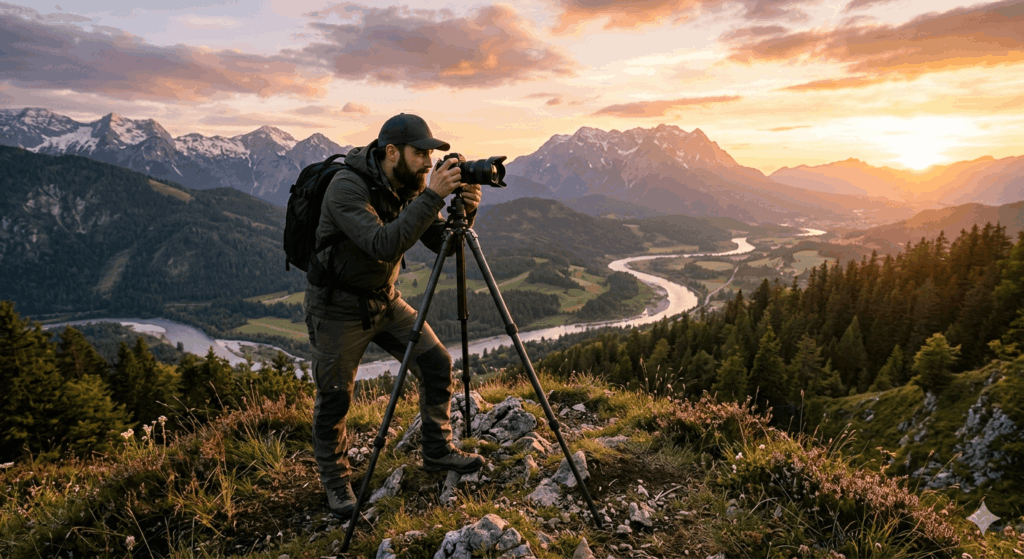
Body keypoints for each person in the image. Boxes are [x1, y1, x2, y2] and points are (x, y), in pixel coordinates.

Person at [303, 113, 486, 519]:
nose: (427, 162)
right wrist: (433, 196)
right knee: (334, 397)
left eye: (430, 154)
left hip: (383, 300)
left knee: (437, 363)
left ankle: (437, 452)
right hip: (336, 307)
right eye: (420, 153)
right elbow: (383, 244)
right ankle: (336, 482)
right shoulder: (345, 187)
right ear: (391, 152)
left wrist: (464, 212)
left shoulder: (410, 185)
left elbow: (441, 243)